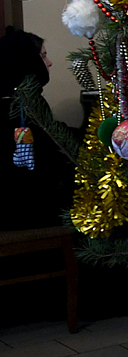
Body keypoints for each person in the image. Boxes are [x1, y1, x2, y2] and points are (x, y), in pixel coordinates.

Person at [0, 27, 74, 231]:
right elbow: (49, 152)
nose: (49, 63)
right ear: (26, 61)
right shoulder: (21, 105)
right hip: (23, 214)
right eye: (42, 56)